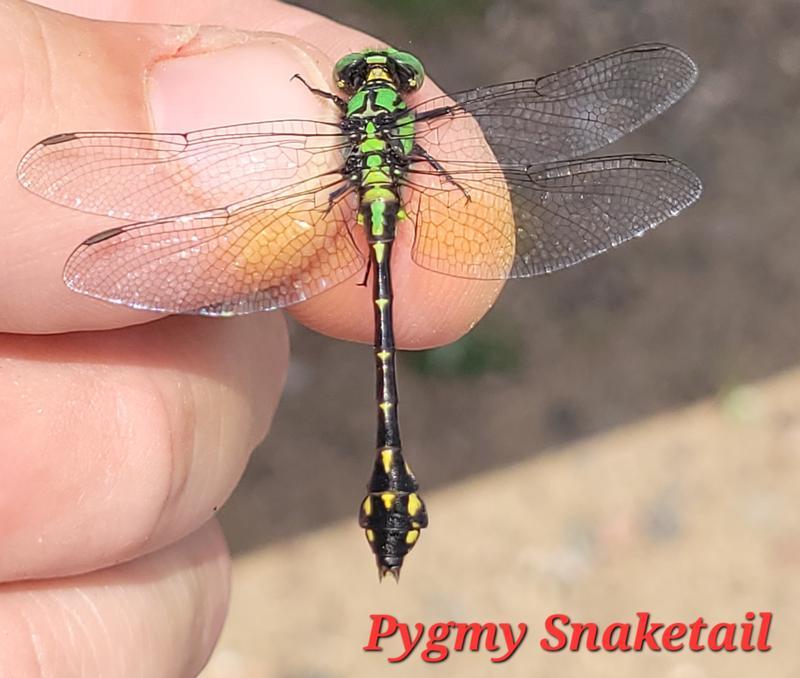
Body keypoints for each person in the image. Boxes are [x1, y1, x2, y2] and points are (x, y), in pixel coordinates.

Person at [1, 1, 501, 673]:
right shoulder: (413, 124)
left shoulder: (335, 116)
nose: (377, 83)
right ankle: (394, 476)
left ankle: (387, 481)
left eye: (380, 79)